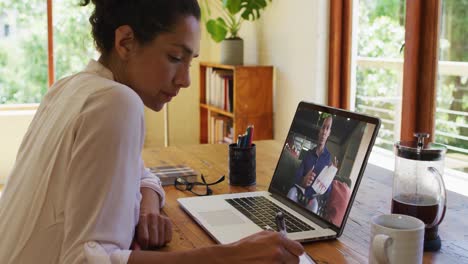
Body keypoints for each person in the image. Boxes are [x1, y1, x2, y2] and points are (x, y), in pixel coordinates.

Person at [0, 1, 304, 263]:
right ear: (126, 42)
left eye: (190, 61)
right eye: (174, 58)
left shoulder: (69, 87)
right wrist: (233, 256)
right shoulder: (116, 102)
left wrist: (147, 206)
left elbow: (140, 171)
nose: (185, 80)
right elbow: (85, 260)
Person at [287, 115, 338, 212]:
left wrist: (330, 174)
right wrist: (303, 180)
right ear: (319, 131)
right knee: (291, 192)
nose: (324, 132)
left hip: (312, 199)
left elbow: (328, 192)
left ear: (329, 133)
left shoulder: (328, 161)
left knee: (314, 205)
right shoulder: (308, 154)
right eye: (323, 127)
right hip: (299, 193)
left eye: (327, 128)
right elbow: (296, 176)